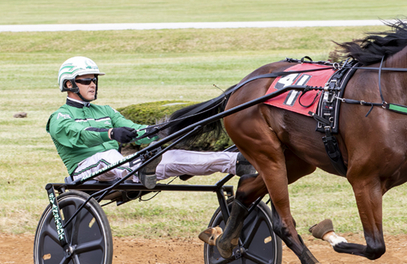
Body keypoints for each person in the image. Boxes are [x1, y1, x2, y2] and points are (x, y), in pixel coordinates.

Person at [46, 56, 254, 188]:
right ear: (69, 84)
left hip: (123, 169)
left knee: (172, 156)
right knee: (108, 156)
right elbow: (80, 134)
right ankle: (141, 167)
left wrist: (161, 131)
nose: (93, 84)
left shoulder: (106, 110)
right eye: (86, 80)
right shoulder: (60, 117)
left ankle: (234, 162)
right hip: (86, 170)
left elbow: (136, 130)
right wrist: (110, 134)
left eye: (94, 80)